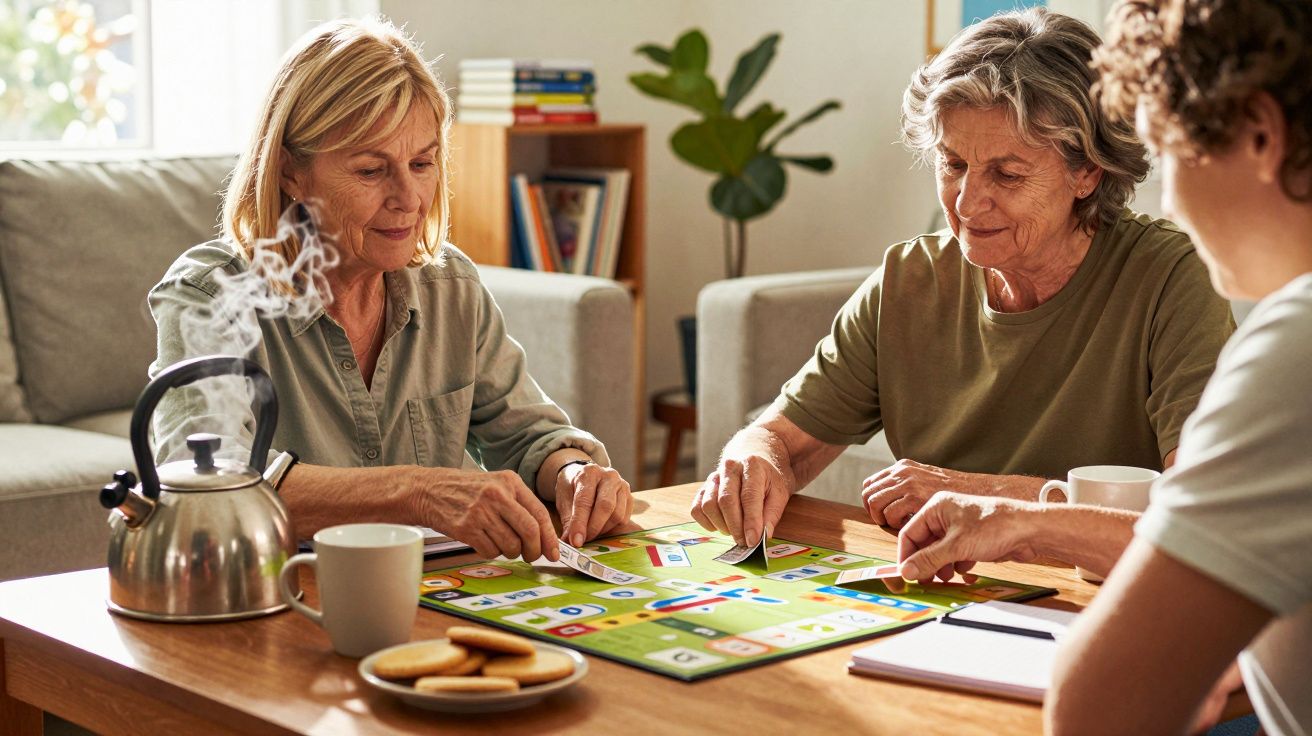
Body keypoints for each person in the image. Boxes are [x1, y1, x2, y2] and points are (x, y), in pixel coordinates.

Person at [898, 1, 1312, 732]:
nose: (1172, 198)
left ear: (1258, 134)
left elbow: (1100, 709)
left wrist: (1018, 518)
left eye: (1171, 148)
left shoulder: (1296, 350)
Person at [691, 7, 1234, 547]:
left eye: (1008, 173)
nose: (969, 203)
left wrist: (983, 496)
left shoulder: (1172, 278)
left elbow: (1204, 506)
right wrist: (750, 462)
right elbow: (781, 441)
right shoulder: (908, 279)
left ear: (1088, 172)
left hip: (1093, 593)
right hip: (938, 589)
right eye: (952, 165)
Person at [147, 18, 632, 562]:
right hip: (280, 599)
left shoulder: (451, 288)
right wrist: (419, 493)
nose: (409, 197)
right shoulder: (210, 298)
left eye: (422, 163)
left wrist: (572, 473)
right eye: (372, 170)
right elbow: (206, 486)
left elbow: (527, 437)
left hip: (436, 596)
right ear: (290, 172)